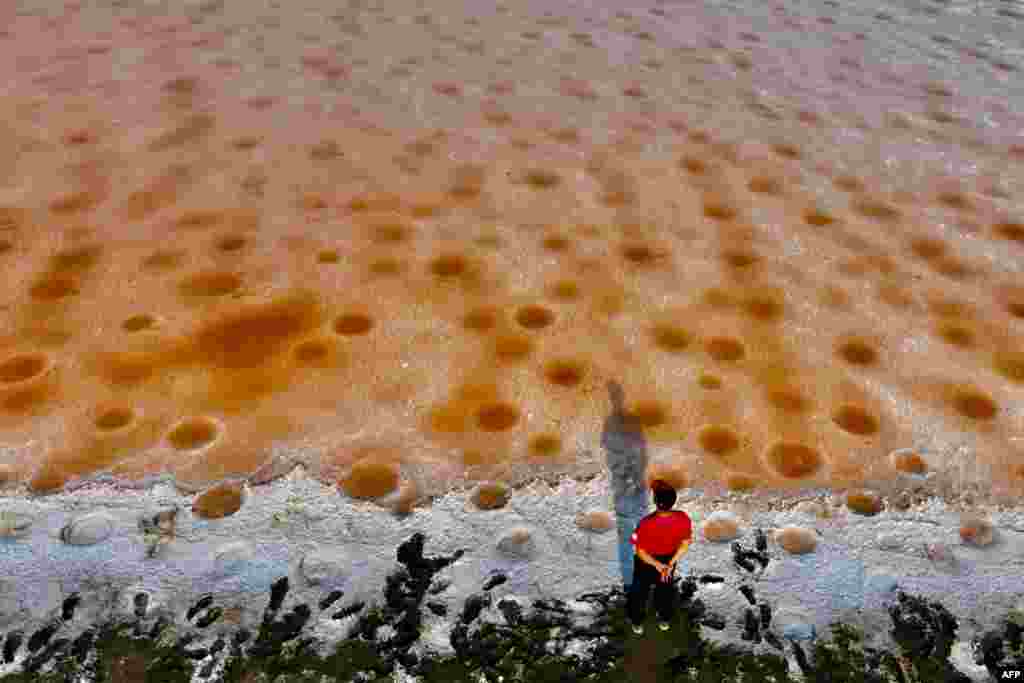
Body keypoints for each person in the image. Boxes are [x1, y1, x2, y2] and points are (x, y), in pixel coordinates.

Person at [601, 380, 649, 593]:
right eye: (614, 395)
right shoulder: (616, 423)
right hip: (628, 484)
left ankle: (636, 581)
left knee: (634, 532)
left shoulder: (621, 422)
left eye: (616, 395)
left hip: (632, 483)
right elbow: (613, 452)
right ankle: (633, 582)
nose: (615, 399)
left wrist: (632, 475)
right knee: (631, 532)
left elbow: (638, 451)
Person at [627, 480, 692, 635]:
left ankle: (637, 623)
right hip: (669, 560)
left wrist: (657, 565)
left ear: (655, 501)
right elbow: (685, 544)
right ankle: (664, 621)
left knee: (640, 592)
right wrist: (669, 564)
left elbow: (640, 551)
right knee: (665, 590)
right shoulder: (682, 518)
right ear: (673, 501)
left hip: (647, 562)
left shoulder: (645, 523)